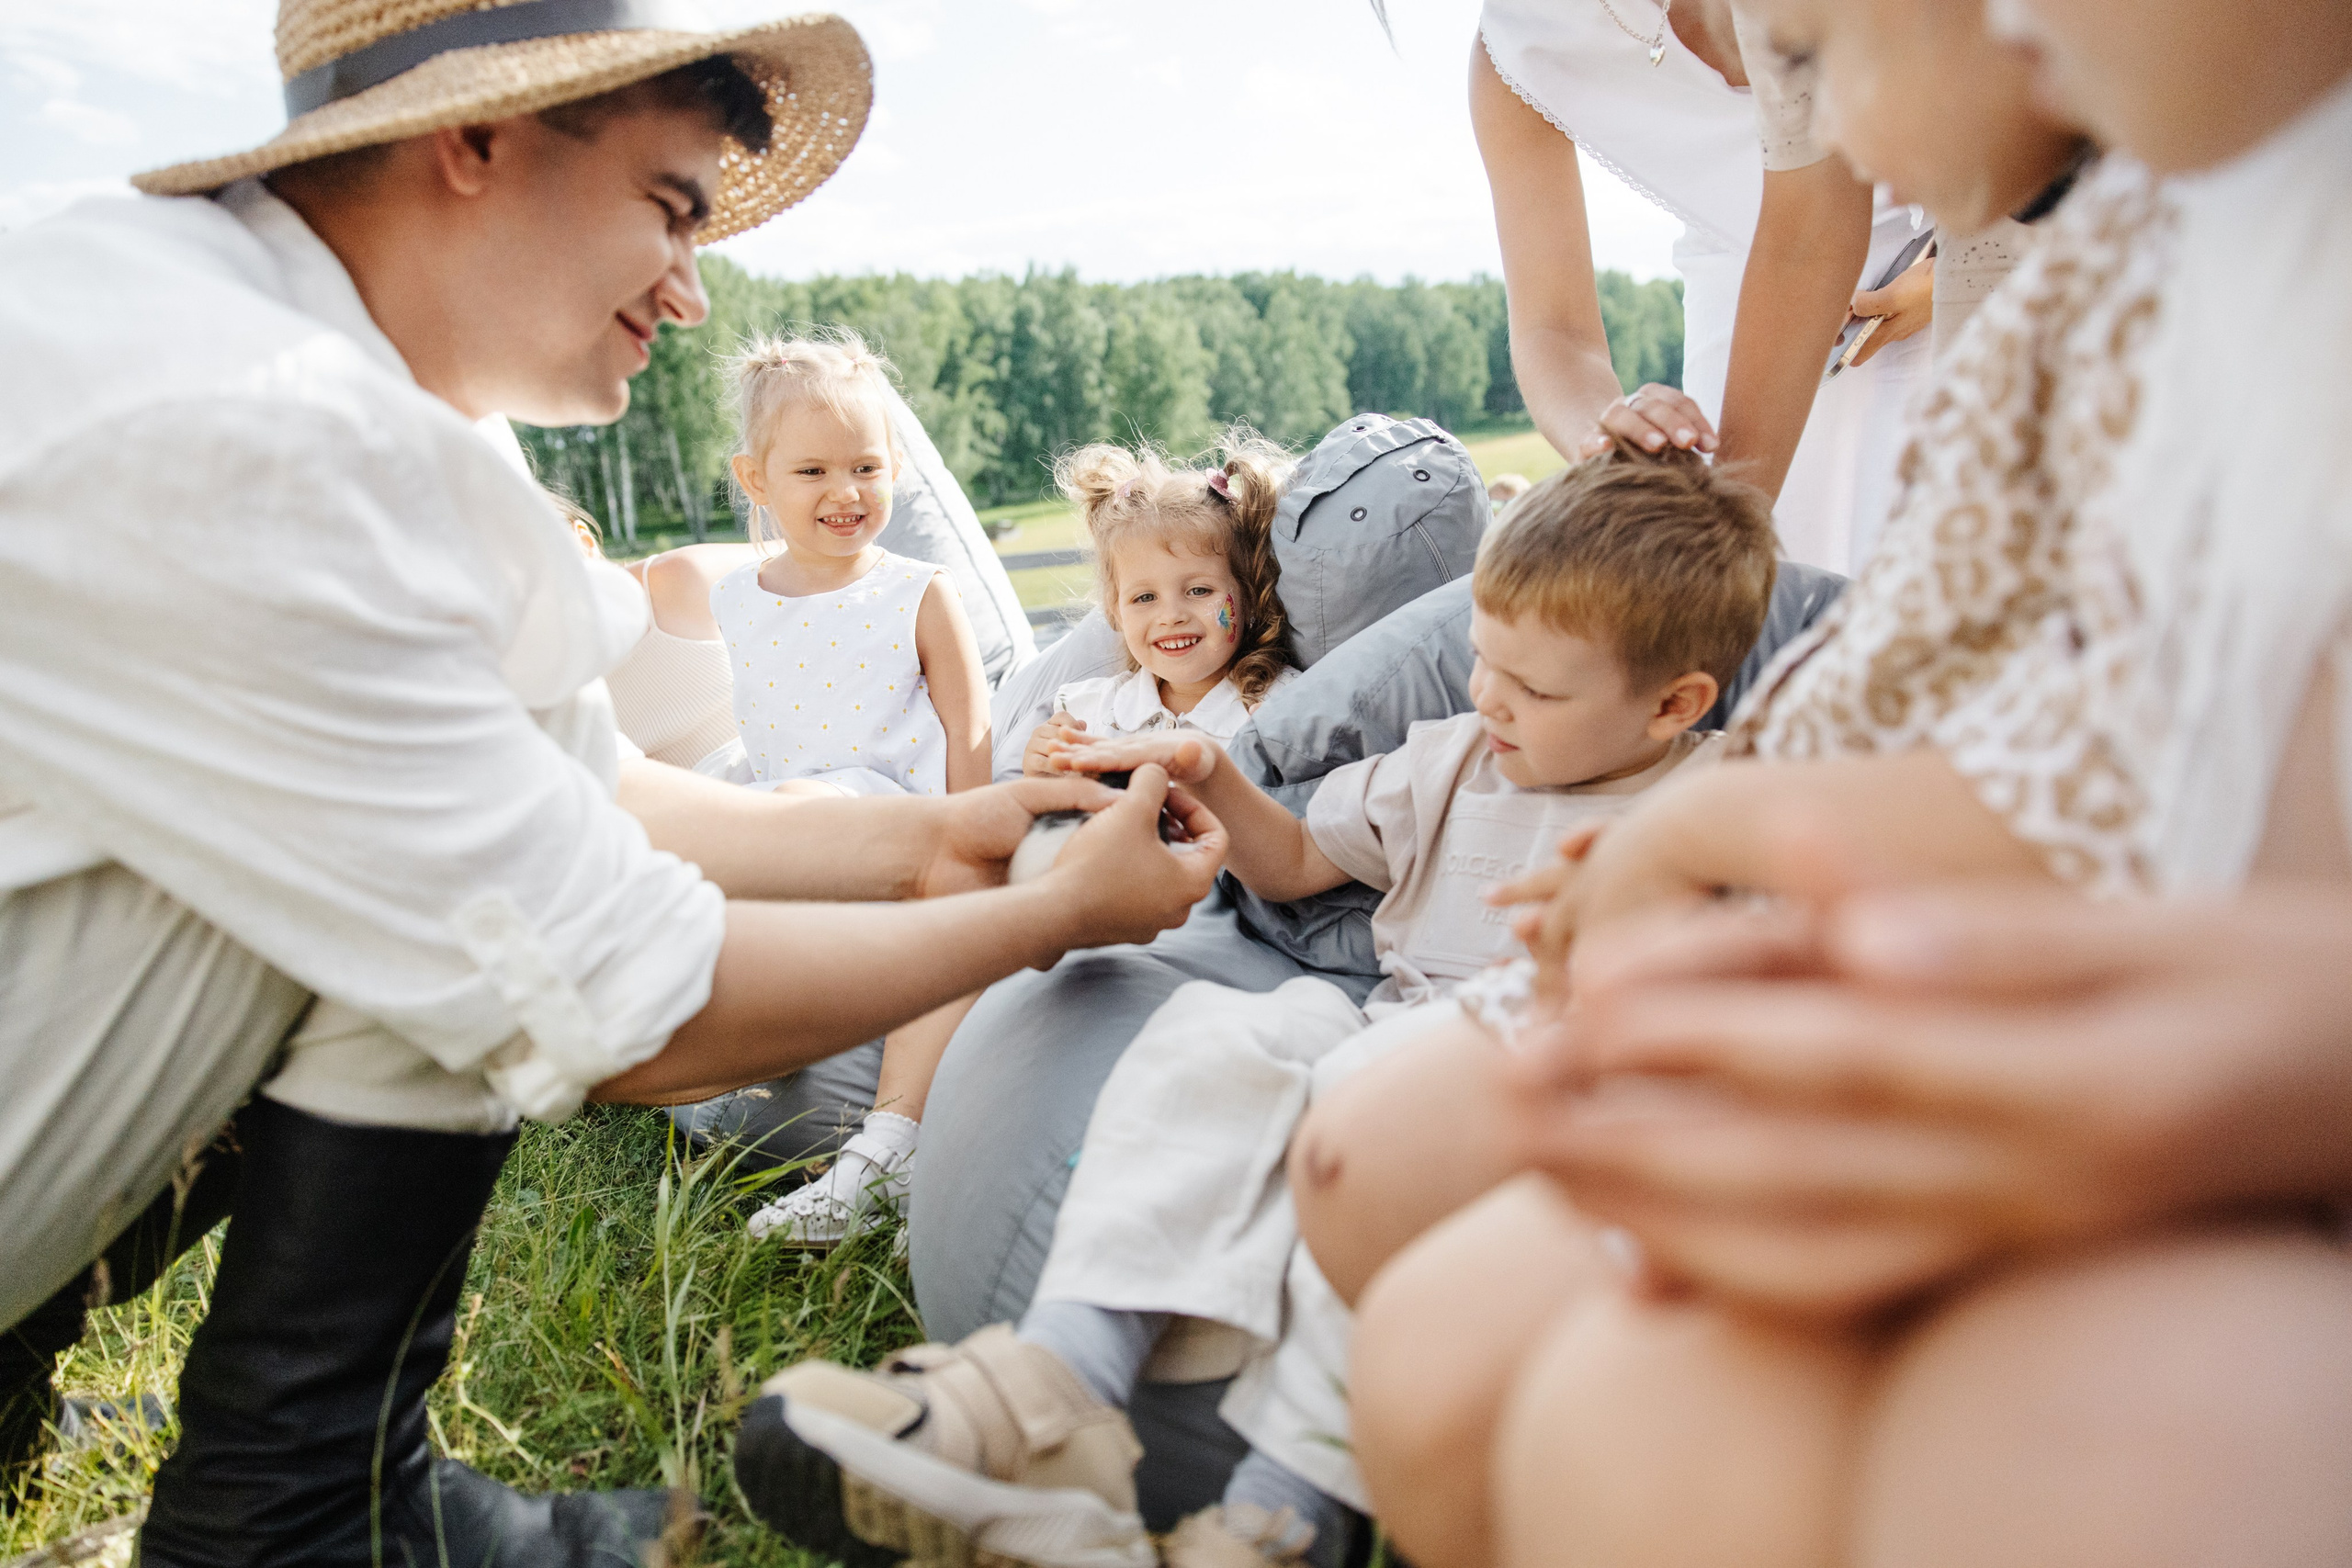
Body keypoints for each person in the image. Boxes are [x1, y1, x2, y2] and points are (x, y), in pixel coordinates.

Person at [0, 5, 1225, 1553]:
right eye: (668, 207)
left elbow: (578, 789)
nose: (691, 293)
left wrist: (934, 832)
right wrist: (1049, 916)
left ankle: (207, 1440)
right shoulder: (249, 430)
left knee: (453, 868)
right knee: (473, 924)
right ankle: (300, 1511)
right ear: (473, 138)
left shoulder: (374, 382)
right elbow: (616, 992)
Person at [1329, 2, 2352, 1565]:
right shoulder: (2151, 257)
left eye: (1809, 57)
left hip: (2186, 1068)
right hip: (2124, 992)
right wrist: (1719, 843)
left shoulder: (2149, 265)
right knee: (1479, 1348)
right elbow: (2093, 735)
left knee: (1675, 1423)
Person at [726, 444, 1779, 1568]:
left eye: (1536, 689)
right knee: (1219, 1036)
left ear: (1674, 704)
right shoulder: (1455, 759)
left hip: (1549, 1088)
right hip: (1388, 1027)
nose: (1488, 700)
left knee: (1380, 1129)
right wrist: (1209, 774)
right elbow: (1296, 863)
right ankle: (1059, 1378)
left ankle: (1283, 1515)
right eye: (1482, 662)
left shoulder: (1731, 804)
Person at [686, 331, 997, 1249]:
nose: (845, 491)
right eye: (813, 471)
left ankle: (889, 1152)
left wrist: (974, 839)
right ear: (756, 480)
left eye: (865, 466)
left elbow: (968, 727)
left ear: (894, 466)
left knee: (779, 820)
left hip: (890, 820)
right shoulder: (736, 597)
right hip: (792, 829)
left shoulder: (919, 591)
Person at [1471, 0, 1931, 570]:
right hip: (1743, 303)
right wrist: (1612, 444)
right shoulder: (1513, 47)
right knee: (1781, 571)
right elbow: (1553, 328)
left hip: (1964, 232)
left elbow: (1814, 228)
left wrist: (1979, 260)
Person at [1022, 432, 1303, 779]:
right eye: (1145, 598)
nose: (1171, 616)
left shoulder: (1283, 707)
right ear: (1114, 610)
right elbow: (1060, 808)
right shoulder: (1086, 715)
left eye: (1199, 591)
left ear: (1249, 593)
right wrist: (1044, 777)